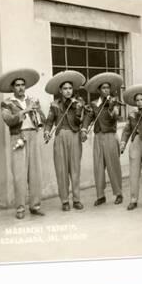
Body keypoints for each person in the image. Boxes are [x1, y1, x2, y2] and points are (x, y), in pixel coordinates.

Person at [0, 68, 47, 219]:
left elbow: (42, 120)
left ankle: (35, 206)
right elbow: (9, 120)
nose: (20, 87)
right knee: (19, 175)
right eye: (17, 85)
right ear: (12, 88)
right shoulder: (6, 103)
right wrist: (24, 112)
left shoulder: (32, 100)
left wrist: (37, 111)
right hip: (18, 136)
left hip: (33, 134)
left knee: (35, 173)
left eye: (22, 84)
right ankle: (20, 208)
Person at [44, 70, 86, 211]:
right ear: (60, 91)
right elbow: (49, 121)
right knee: (61, 170)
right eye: (65, 89)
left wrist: (78, 109)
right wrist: (46, 132)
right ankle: (64, 201)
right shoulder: (55, 105)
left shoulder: (79, 102)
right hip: (60, 135)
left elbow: (79, 121)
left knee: (75, 169)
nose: (68, 91)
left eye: (70, 88)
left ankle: (76, 199)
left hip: (74, 135)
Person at [81, 72, 124, 206]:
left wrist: (113, 108)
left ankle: (118, 193)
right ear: (99, 90)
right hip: (98, 137)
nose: (106, 90)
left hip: (110, 136)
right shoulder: (94, 104)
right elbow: (89, 117)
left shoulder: (114, 102)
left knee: (113, 166)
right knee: (98, 167)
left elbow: (115, 117)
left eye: (108, 88)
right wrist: (84, 129)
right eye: (103, 88)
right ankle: (100, 195)